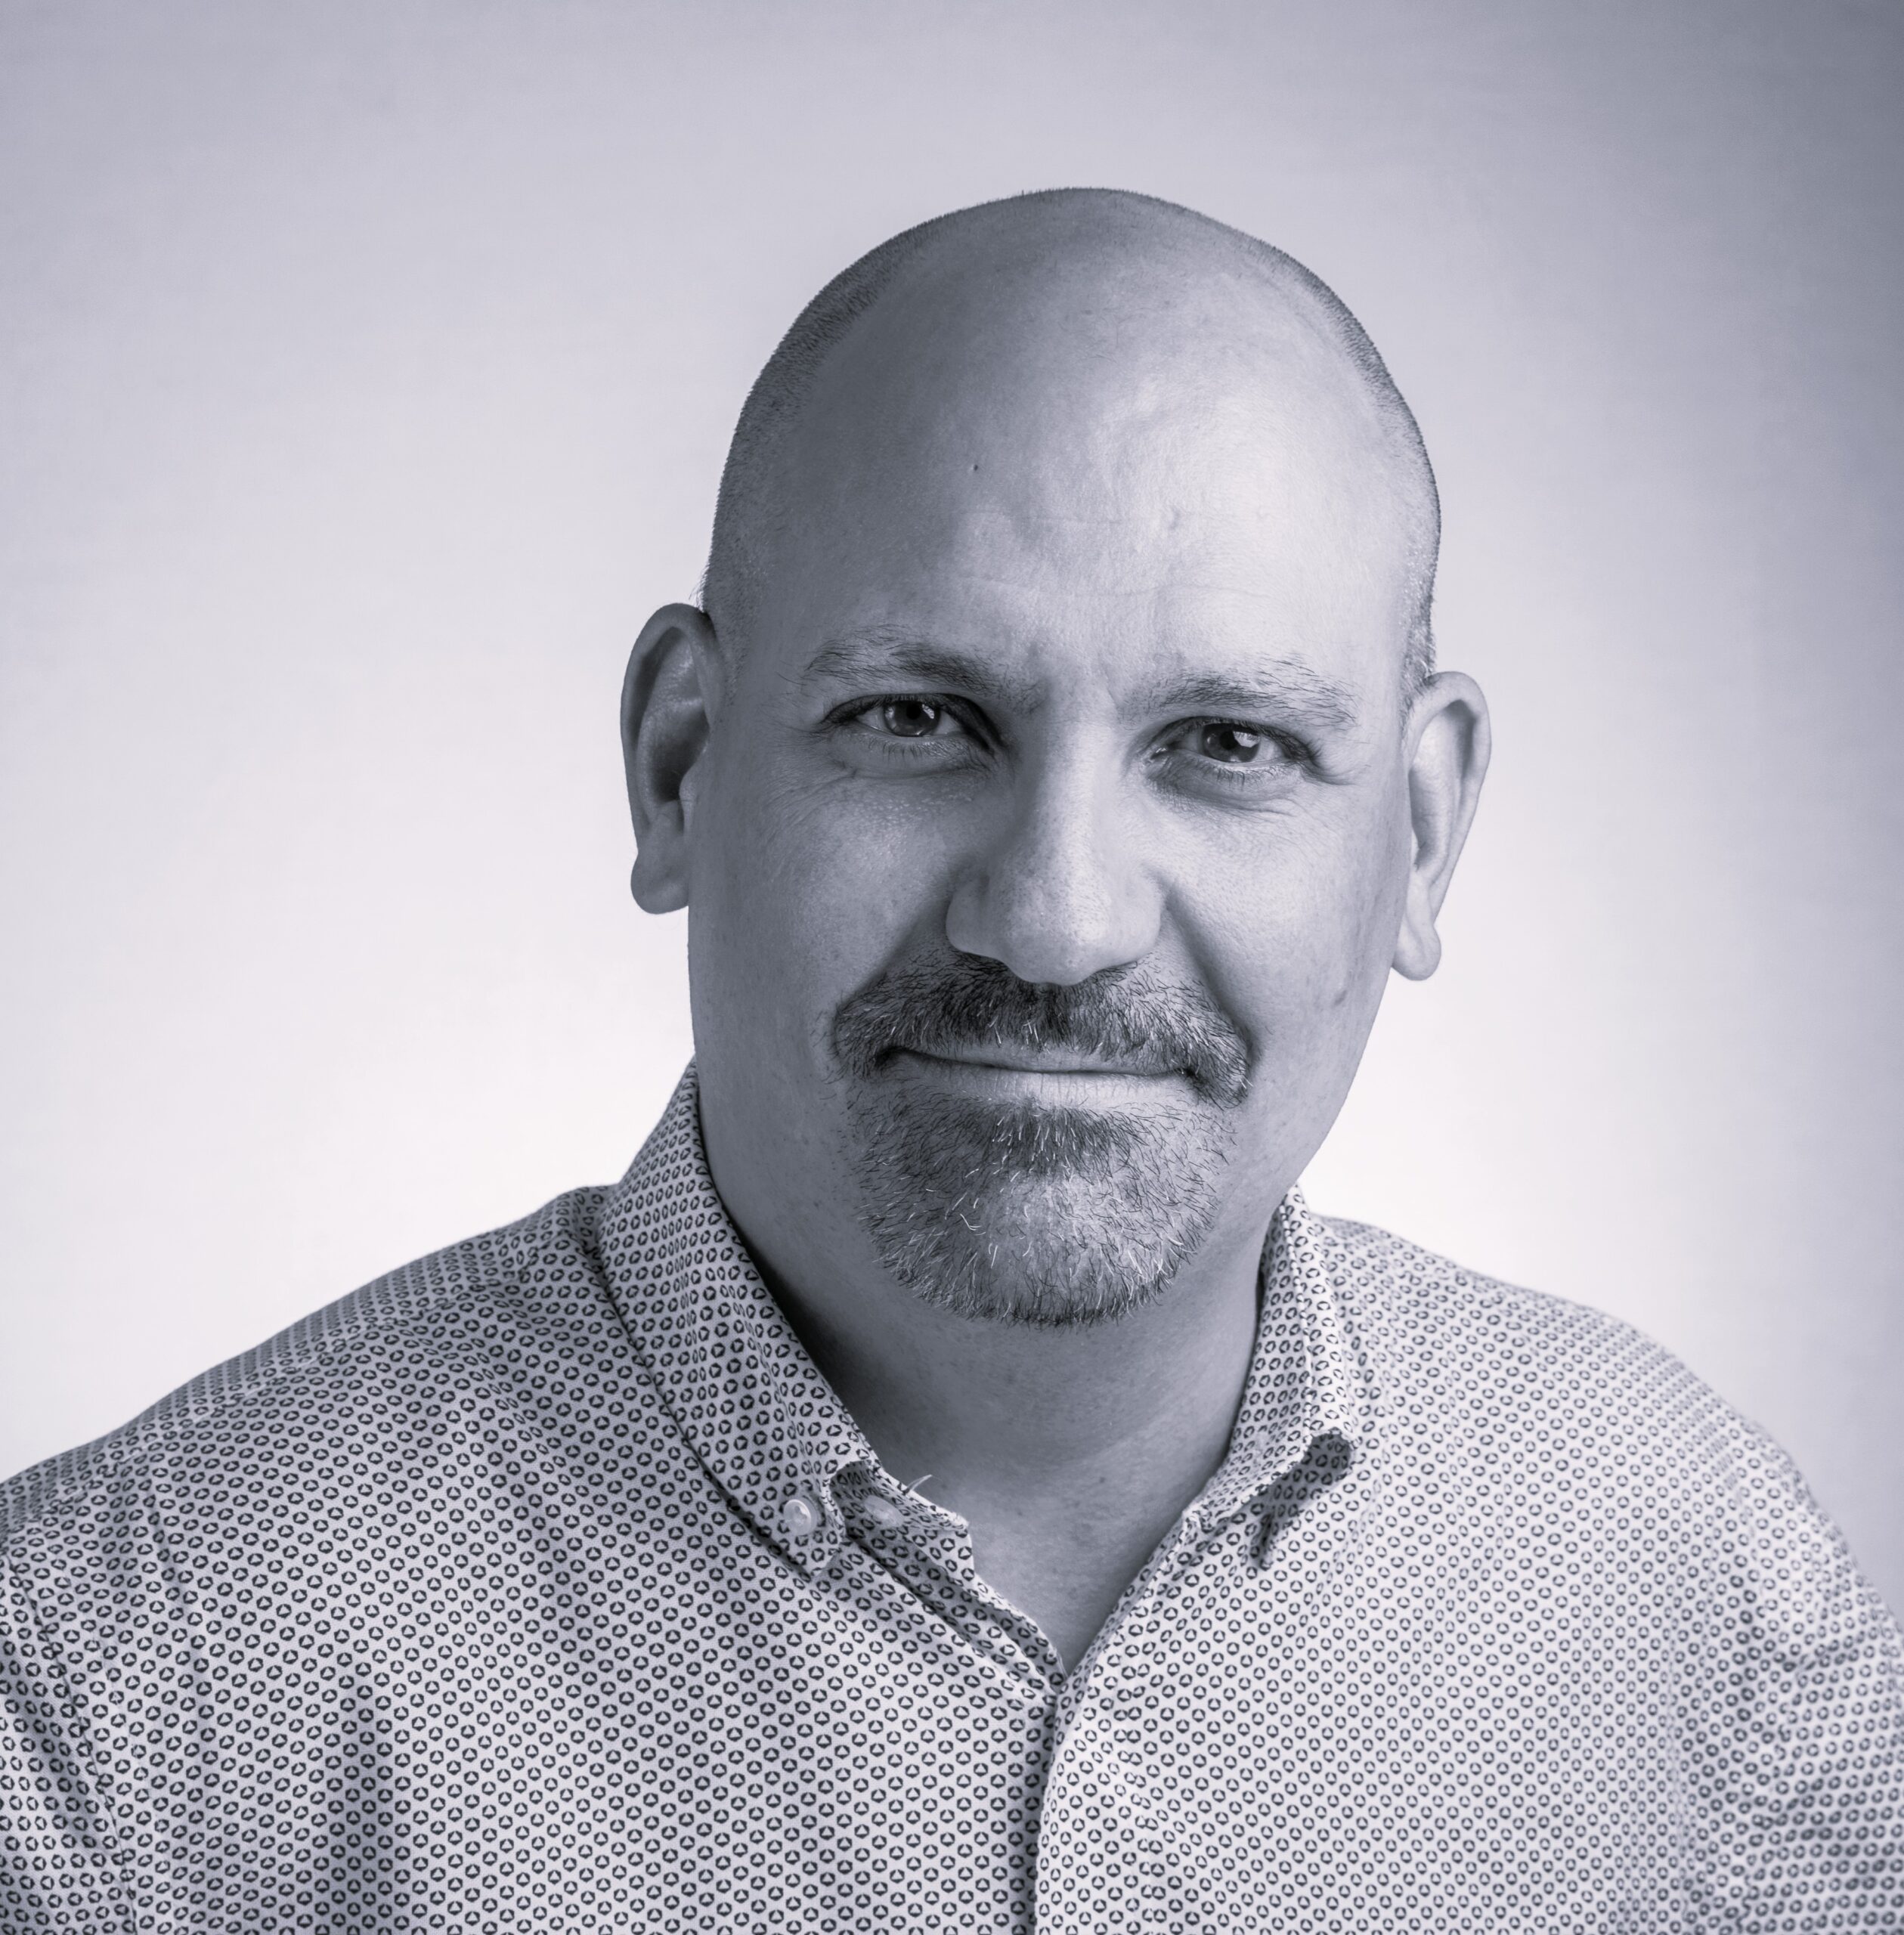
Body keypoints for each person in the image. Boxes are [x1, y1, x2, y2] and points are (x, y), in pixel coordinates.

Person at [2, 189, 1899, 1931]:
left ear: (1417, 831)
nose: (1057, 918)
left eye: (1228, 744)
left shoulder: (1713, 1600)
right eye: (919, 717)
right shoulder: (114, 1691)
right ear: (679, 766)